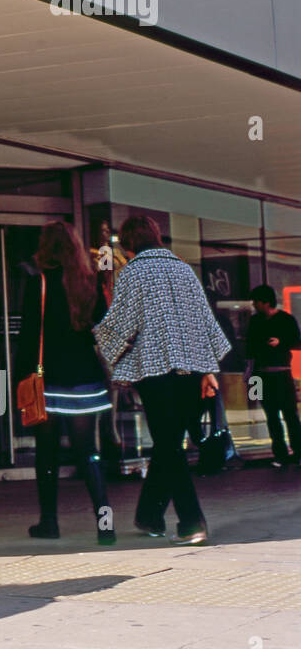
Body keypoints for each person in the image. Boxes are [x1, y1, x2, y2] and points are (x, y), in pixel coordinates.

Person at [93, 215, 229, 544]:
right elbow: (206, 322)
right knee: (170, 443)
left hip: (155, 372)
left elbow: (121, 323)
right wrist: (209, 369)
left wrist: (100, 344)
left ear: (127, 243)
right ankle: (150, 515)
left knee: (168, 445)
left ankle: (191, 522)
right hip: (192, 370)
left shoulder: (133, 273)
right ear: (156, 236)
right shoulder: (184, 270)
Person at [16, 222, 115, 544]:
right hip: (86, 378)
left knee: (47, 454)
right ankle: (105, 524)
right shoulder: (90, 284)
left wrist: (19, 379)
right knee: (89, 453)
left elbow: (29, 337)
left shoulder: (39, 283)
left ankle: (49, 523)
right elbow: (102, 326)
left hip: (50, 380)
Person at [245, 283, 301, 468]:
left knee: (290, 415)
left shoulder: (286, 320)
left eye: (257, 302)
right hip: (260, 375)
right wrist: (250, 381)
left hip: (281, 374)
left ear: (265, 302)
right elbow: (249, 349)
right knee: (271, 415)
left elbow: (297, 341)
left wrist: (280, 342)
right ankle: (280, 454)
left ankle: (298, 452)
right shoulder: (255, 321)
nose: (254, 305)